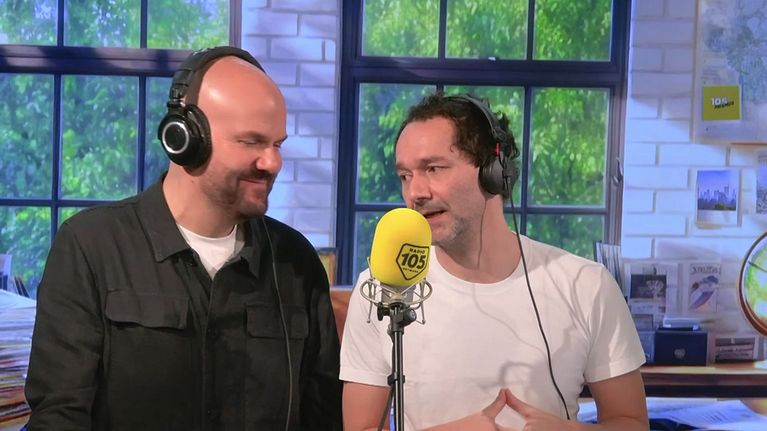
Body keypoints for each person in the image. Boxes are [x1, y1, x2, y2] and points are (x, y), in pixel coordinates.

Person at [24, 46, 342, 430]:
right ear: (185, 137)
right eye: (251, 142)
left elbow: (324, 416)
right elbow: (58, 417)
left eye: (277, 144)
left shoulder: (296, 262)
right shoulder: (90, 248)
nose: (272, 163)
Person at [340, 92, 648, 430]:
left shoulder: (586, 285)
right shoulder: (381, 290)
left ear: (493, 171)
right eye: (405, 176)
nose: (415, 193)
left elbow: (631, 422)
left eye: (433, 168)